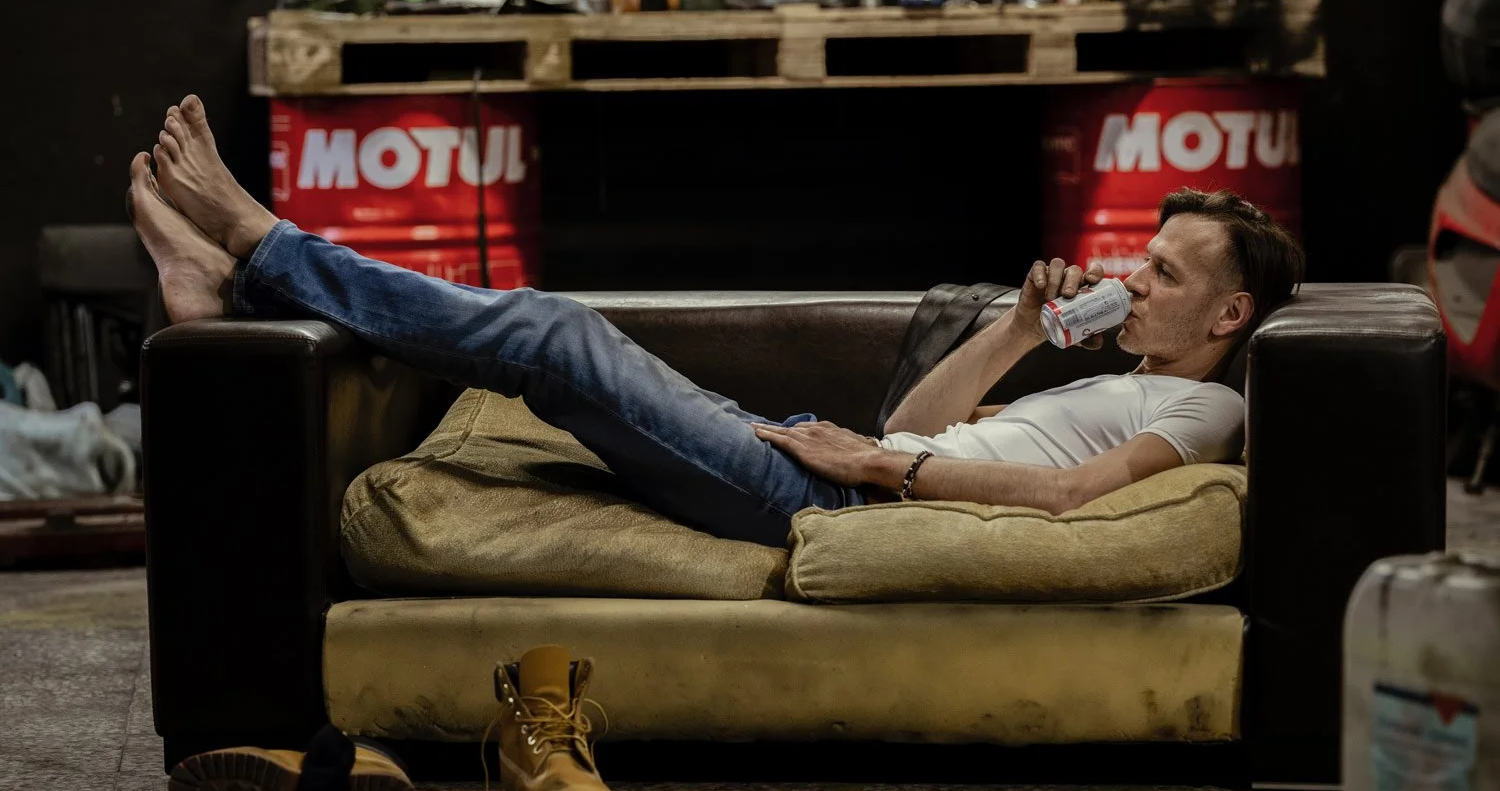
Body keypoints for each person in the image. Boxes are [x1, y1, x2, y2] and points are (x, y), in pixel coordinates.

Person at [129, 95, 1304, 549]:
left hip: (838, 498)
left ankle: (261, 251)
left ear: (1230, 311)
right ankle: (237, 294)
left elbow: (1063, 500)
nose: (1132, 279)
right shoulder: (1119, 375)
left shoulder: (1206, 405)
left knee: (551, 335)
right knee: (551, 336)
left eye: (1161, 270)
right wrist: (1019, 331)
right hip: (834, 459)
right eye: (1139, 260)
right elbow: (913, 416)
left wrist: (884, 472)